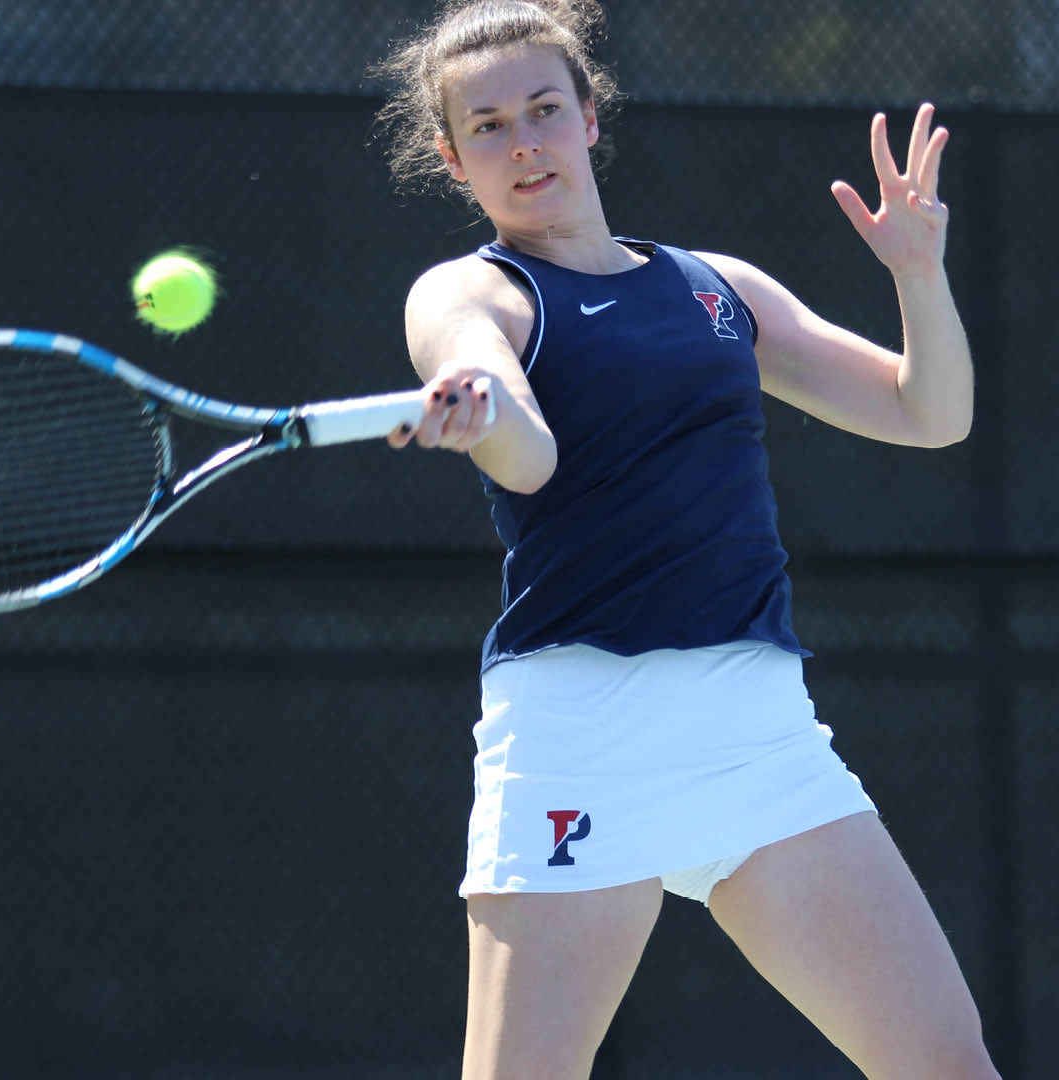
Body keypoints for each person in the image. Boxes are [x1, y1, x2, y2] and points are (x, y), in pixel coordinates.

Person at [373, 2, 996, 1076]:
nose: (523, 142)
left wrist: (918, 274)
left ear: (588, 121)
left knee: (947, 1065)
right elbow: (526, 450)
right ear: (451, 156)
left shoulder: (720, 291)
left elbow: (928, 414)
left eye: (543, 110)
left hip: (760, 737)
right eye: (487, 127)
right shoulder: (471, 294)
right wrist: (482, 407)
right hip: (582, 735)